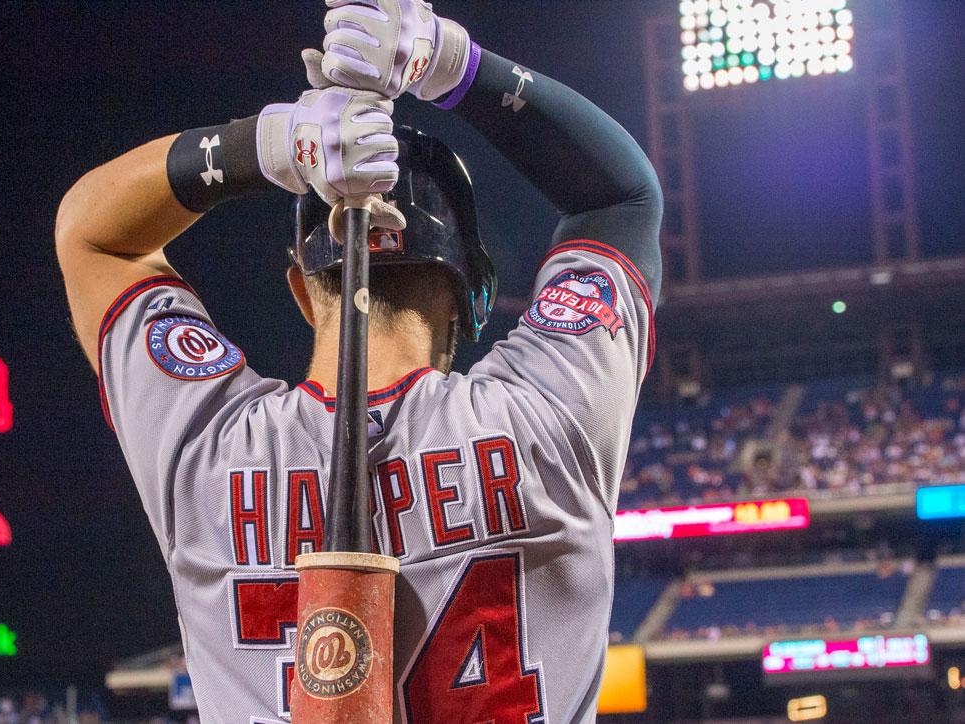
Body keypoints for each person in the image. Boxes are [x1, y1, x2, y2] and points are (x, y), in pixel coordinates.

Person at [55, 0, 660, 720]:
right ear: (470, 288)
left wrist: (268, 146)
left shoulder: (207, 447)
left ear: (302, 290)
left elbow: (93, 235)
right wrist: (453, 65)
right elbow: (621, 196)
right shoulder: (546, 415)